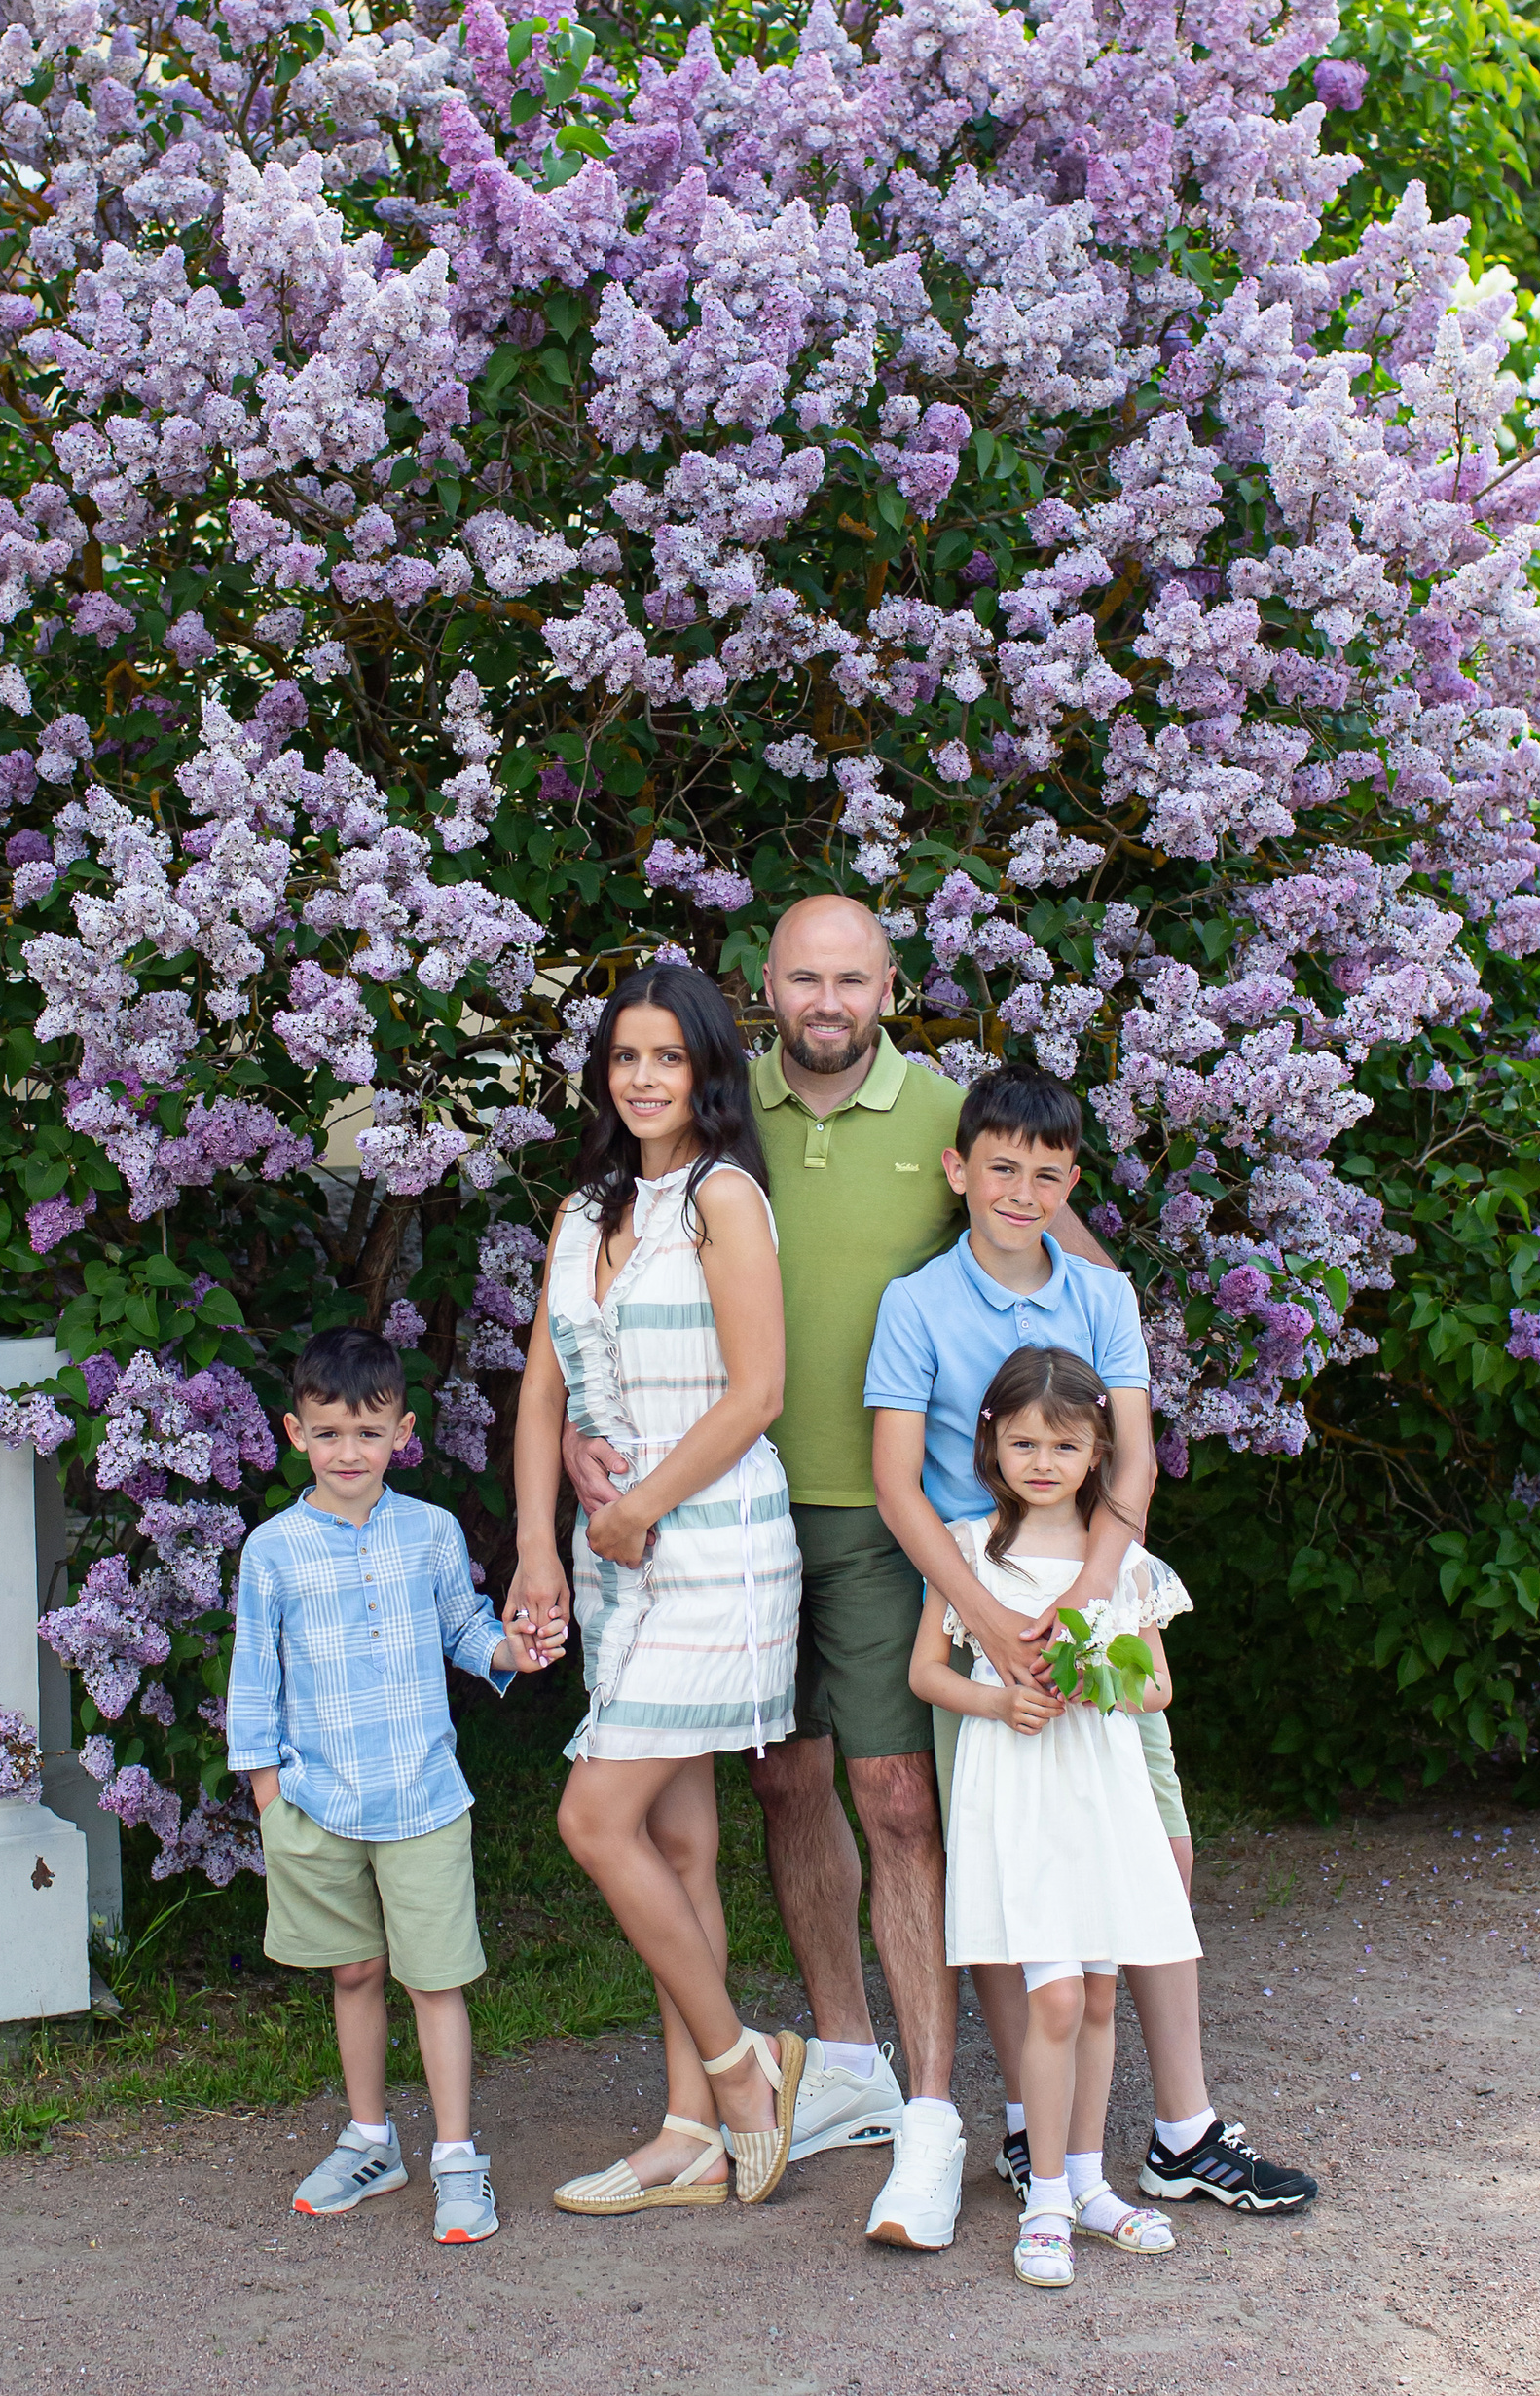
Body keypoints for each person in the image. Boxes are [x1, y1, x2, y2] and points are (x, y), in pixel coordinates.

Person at [565, 899, 1126, 2228]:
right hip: (729, 1518)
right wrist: (595, 1434)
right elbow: (615, 1282)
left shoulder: (943, 1111)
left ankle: (931, 2104)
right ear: (768, 985)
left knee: (893, 1795)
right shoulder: (717, 1108)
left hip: (885, 1515)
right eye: (804, 976)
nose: (827, 998)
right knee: (785, 1781)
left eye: (852, 978)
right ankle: (850, 2060)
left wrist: (1113, 1424)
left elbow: (1060, 1250)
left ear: (891, 986)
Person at [868, 1064, 1317, 2228]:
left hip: (1098, 1606)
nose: (1020, 1191)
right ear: (960, 1172)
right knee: (1017, 1893)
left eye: (1045, 1172)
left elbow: (1132, 1461)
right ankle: (1034, 2134)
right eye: (999, 1167)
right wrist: (987, 1613)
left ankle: (1182, 2133)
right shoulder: (917, 1302)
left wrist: (1090, 1599)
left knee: (1155, 1862)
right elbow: (895, 1483)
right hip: (983, 1609)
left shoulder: (1101, 1295)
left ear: (1070, 1182)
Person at [508, 961, 809, 2214]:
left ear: (705, 1074)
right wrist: (538, 1546)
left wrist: (633, 1504)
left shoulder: (722, 1199)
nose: (642, 1080)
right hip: (611, 1555)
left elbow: (757, 1392)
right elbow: (541, 1391)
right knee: (678, 1840)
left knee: (593, 1819)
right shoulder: (582, 1212)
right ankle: (689, 2132)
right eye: (624, 1058)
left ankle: (745, 2072)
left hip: (716, 1552)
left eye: (666, 1059)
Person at [228, 1325, 558, 2246]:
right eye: (328, 1433)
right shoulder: (274, 1551)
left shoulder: (432, 1533)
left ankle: (458, 2157)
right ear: (295, 1433)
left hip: (421, 1797)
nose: (348, 1452)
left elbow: (464, 1629)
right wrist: (269, 1802)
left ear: (402, 1434)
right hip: (318, 1803)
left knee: (435, 1978)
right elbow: (255, 1680)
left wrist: (512, 1651)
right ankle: (372, 2139)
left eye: (368, 1434)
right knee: (355, 1971)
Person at [909, 1345, 1195, 2289]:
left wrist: (1097, 1679)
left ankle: (1089, 2185)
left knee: (1103, 1992)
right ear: (991, 1439)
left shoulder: (1120, 1559)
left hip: (1101, 1794)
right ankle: (1041, 2199)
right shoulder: (963, 1544)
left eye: (1064, 1445)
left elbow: (1154, 1685)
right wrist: (1001, 1701)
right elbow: (928, 1674)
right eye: (1023, 1441)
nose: (1042, 1461)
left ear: (1096, 1451)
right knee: (1057, 1994)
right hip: (1020, 1794)